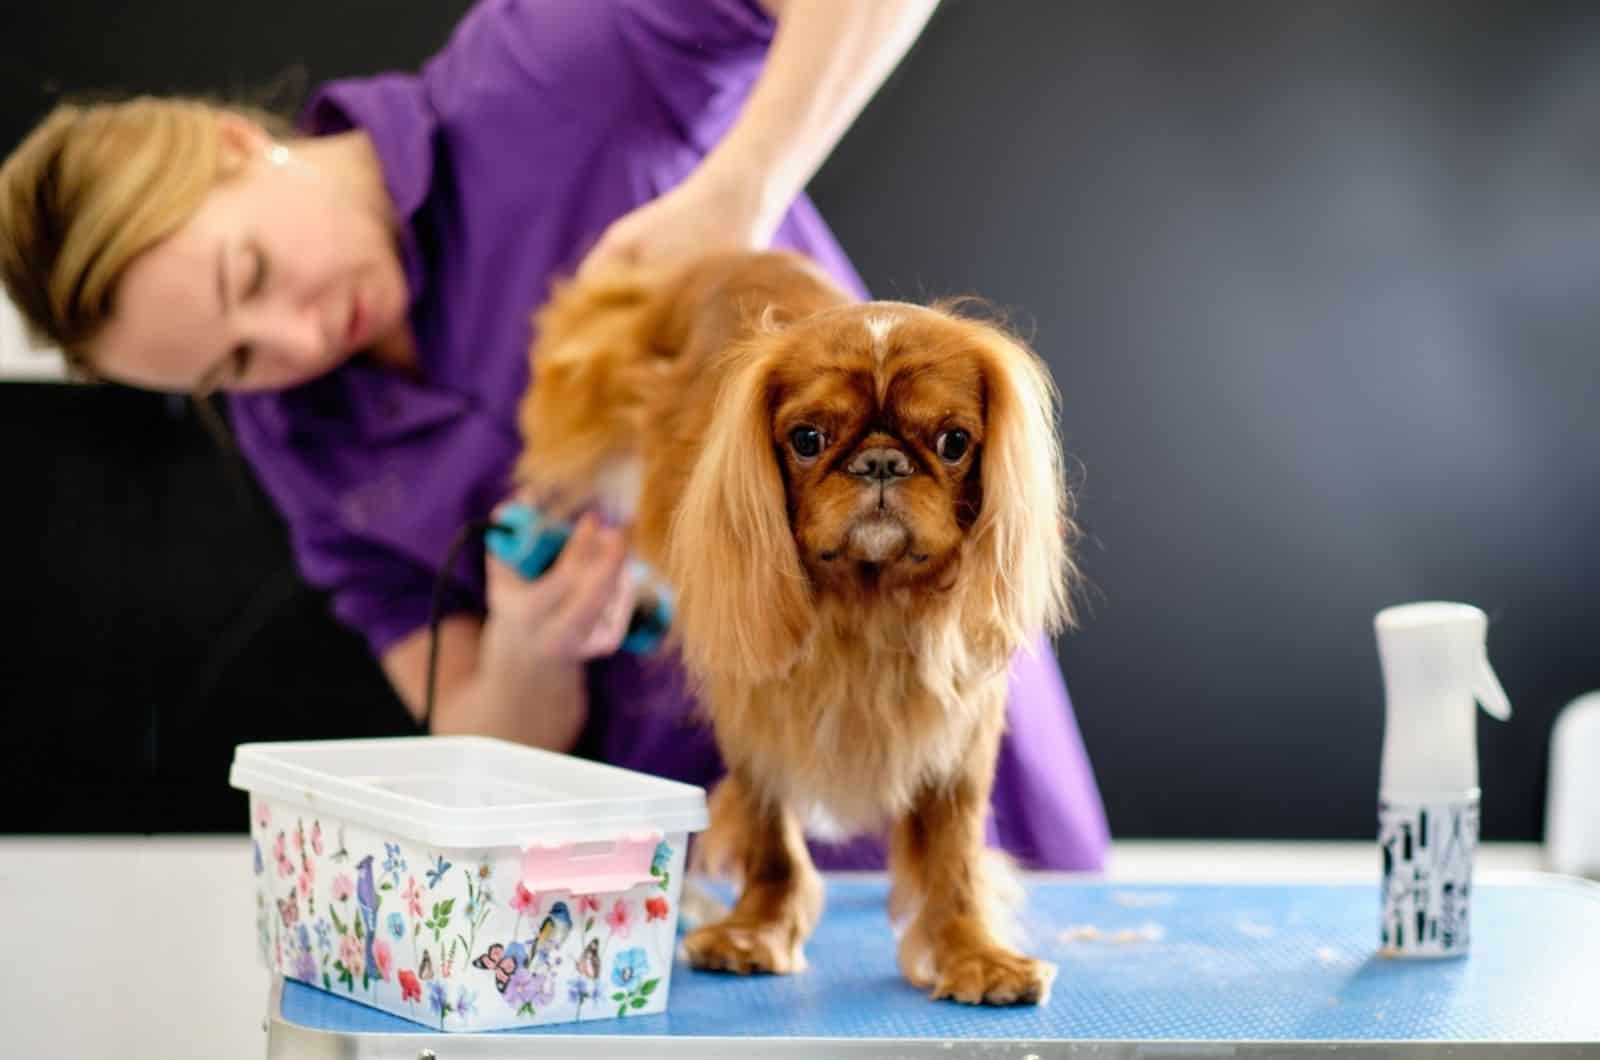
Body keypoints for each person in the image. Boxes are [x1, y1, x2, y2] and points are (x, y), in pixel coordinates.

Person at [0, 0, 1109, 870]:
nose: (291, 341)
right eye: (228, 369)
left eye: (252, 272)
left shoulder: (546, 64)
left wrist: (741, 185)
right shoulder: (300, 439)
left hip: (917, 694)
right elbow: (478, 737)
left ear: (241, 144)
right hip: (682, 843)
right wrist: (529, 653)